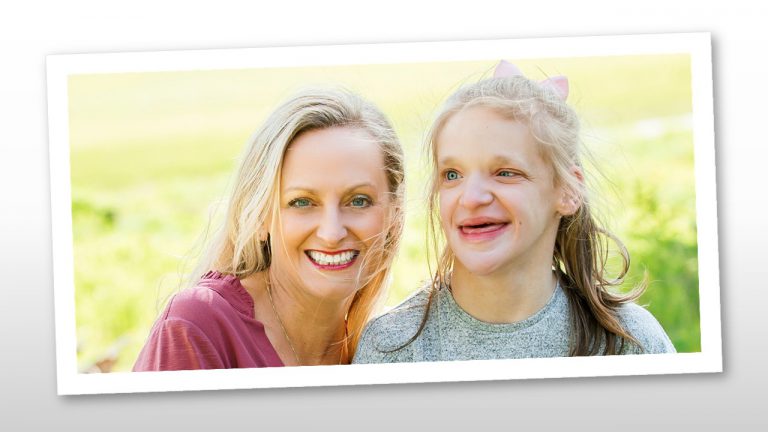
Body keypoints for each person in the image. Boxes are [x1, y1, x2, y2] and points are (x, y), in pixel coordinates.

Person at [353, 61, 675, 364]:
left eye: (505, 173)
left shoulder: (630, 343)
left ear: (567, 191)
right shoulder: (392, 348)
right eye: (452, 174)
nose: (471, 198)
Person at [134, 88, 405, 370]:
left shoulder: (388, 352)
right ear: (260, 215)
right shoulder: (198, 328)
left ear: (394, 215)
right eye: (302, 202)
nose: (332, 233)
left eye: (358, 201)